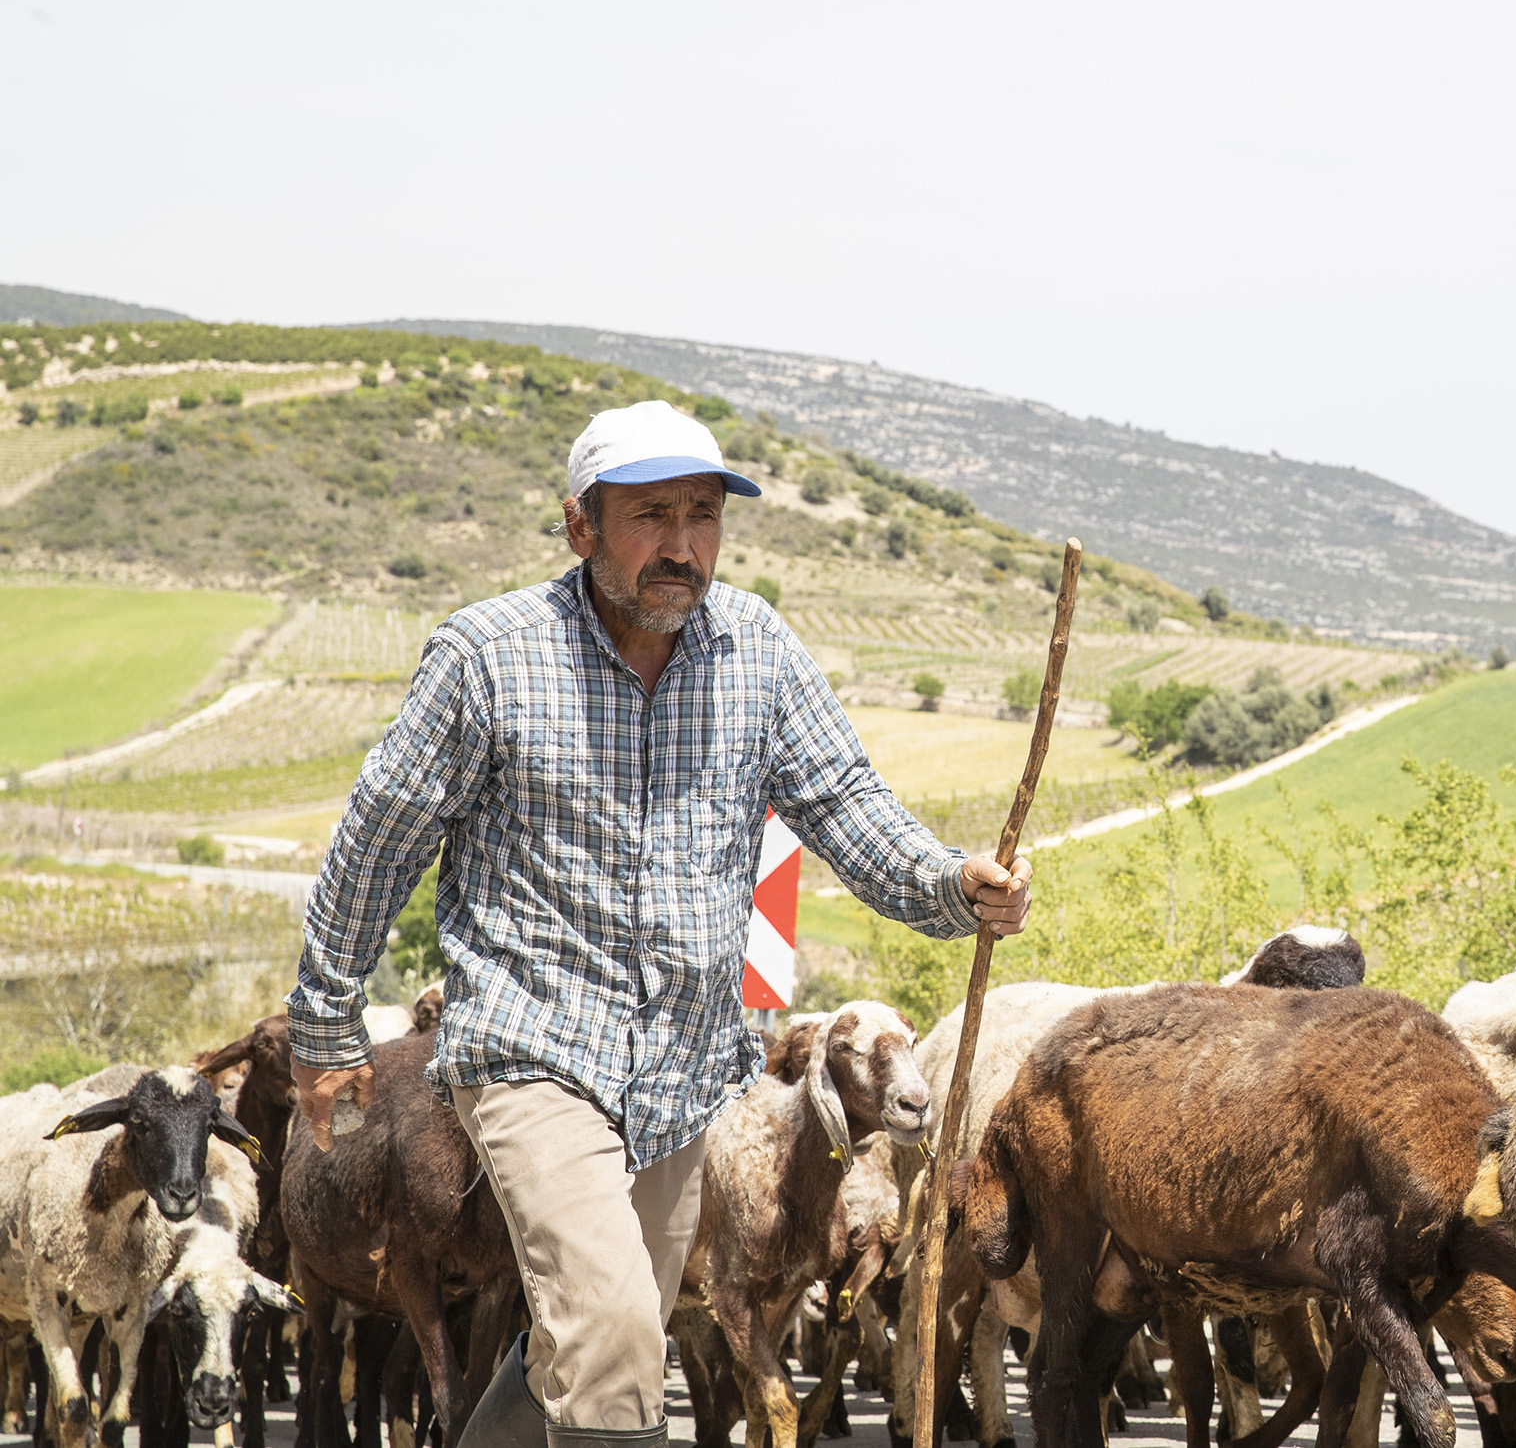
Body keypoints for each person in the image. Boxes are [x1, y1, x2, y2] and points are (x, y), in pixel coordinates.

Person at [287, 399, 1031, 1448]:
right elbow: (379, 839)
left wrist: (954, 882)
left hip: (682, 1076)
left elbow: (851, 806)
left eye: (702, 515)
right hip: (531, 1050)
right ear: (580, 525)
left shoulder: (756, 651)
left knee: (580, 1345)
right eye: (650, 516)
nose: (681, 546)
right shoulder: (489, 656)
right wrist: (322, 1030)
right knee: (617, 1336)